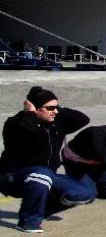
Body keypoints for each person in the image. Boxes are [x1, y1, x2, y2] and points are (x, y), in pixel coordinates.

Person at [0, 87, 96, 233]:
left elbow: (82, 119)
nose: (55, 111)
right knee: (42, 174)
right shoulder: (16, 123)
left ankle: (43, 209)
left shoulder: (56, 124)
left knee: (86, 192)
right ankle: (28, 222)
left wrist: (55, 108)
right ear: (35, 108)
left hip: (46, 177)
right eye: (50, 108)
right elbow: (32, 134)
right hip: (14, 178)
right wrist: (31, 114)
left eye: (56, 108)